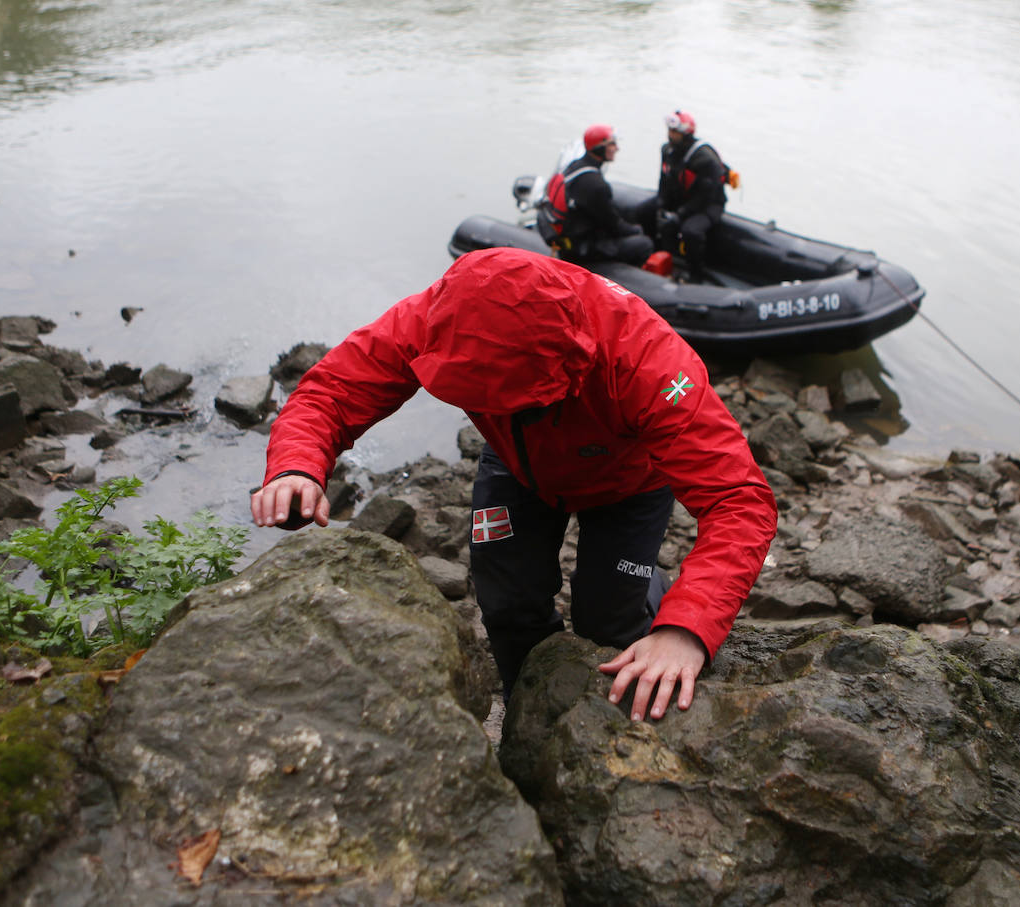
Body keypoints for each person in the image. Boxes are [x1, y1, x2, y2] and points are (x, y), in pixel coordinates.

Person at [250, 248, 776, 723]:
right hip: (517, 463)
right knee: (505, 600)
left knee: (608, 619)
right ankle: (529, 714)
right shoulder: (439, 317)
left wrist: (686, 629)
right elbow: (333, 390)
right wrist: (296, 465)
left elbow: (738, 500)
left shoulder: (647, 362)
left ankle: (651, 595)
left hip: (628, 482)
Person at [536, 124, 654, 267]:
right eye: (612, 144)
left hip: (572, 233)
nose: (617, 148)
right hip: (582, 248)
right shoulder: (596, 185)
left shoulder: (575, 166)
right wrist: (636, 230)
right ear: (600, 148)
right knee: (644, 244)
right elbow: (612, 225)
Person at [637, 110, 729, 281]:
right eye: (669, 131)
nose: (670, 135)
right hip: (680, 199)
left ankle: (696, 274)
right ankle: (652, 253)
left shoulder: (705, 160)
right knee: (644, 211)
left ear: (686, 133)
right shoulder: (667, 150)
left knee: (691, 231)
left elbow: (705, 196)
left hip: (707, 205)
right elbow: (663, 180)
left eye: (675, 132)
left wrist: (679, 215)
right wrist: (662, 204)